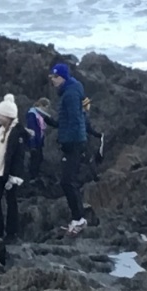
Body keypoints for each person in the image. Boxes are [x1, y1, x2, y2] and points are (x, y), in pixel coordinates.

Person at [47, 62, 101, 235]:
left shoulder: (70, 94)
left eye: (56, 77)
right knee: (69, 181)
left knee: (68, 181)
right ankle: (77, 218)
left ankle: (79, 219)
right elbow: (75, 116)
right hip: (76, 141)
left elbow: (75, 119)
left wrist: (68, 142)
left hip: (74, 142)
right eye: (52, 77)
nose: (53, 80)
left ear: (63, 77)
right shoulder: (72, 90)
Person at [0, 94, 26, 240]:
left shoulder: (17, 132)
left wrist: (14, 175)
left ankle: (12, 232)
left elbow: (18, 156)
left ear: (8, 116)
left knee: (11, 201)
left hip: (10, 174)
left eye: (0, 115)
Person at [23, 97, 51, 178]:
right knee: (35, 160)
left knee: (39, 158)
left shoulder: (40, 115)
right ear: (42, 105)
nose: (47, 110)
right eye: (46, 107)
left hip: (38, 142)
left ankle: (35, 176)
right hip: (34, 142)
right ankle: (32, 177)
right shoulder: (32, 114)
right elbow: (32, 129)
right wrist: (33, 145)